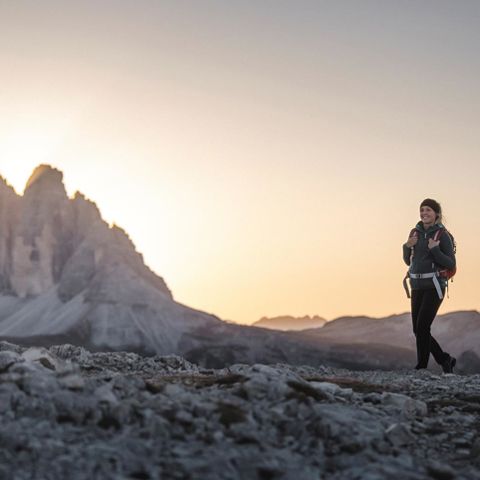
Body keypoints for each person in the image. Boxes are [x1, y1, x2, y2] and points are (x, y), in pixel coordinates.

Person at [402, 198, 456, 373]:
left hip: (434, 286)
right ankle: (445, 359)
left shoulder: (442, 235)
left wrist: (435, 250)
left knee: (423, 326)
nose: (424, 213)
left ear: (436, 214)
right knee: (418, 330)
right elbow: (407, 261)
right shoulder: (414, 232)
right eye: (422, 210)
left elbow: (450, 263)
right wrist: (406, 246)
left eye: (428, 210)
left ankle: (422, 366)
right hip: (416, 285)